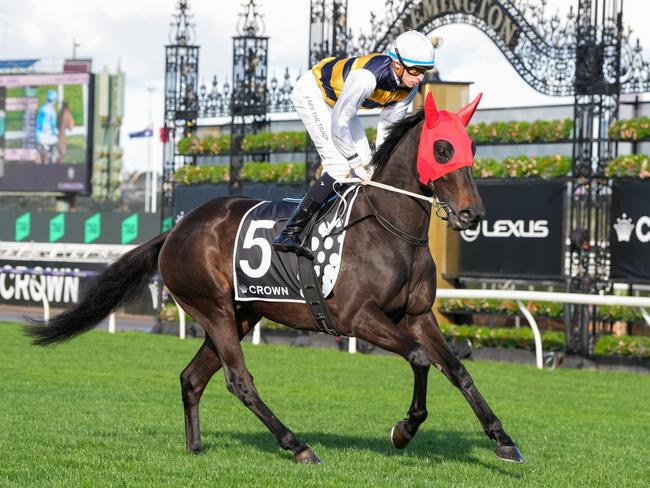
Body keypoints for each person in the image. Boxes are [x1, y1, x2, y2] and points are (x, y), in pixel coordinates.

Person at [272, 30, 436, 259]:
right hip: (314, 94)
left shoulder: (409, 88)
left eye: (424, 71)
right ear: (397, 64)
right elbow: (339, 123)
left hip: (340, 104)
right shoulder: (366, 78)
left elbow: (388, 132)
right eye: (416, 70)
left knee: (370, 168)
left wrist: (373, 165)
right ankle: (291, 231)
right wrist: (353, 161)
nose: (420, 78)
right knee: (339, 165)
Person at [35, 89, 59, 164]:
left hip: (38, 135)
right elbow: (53, 125)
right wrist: (56, 132)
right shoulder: (52, 111)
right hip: (46, 136)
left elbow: (38, 122)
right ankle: (52, 159)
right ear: (53, 100)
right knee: (56, 140)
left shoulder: (42, 108)